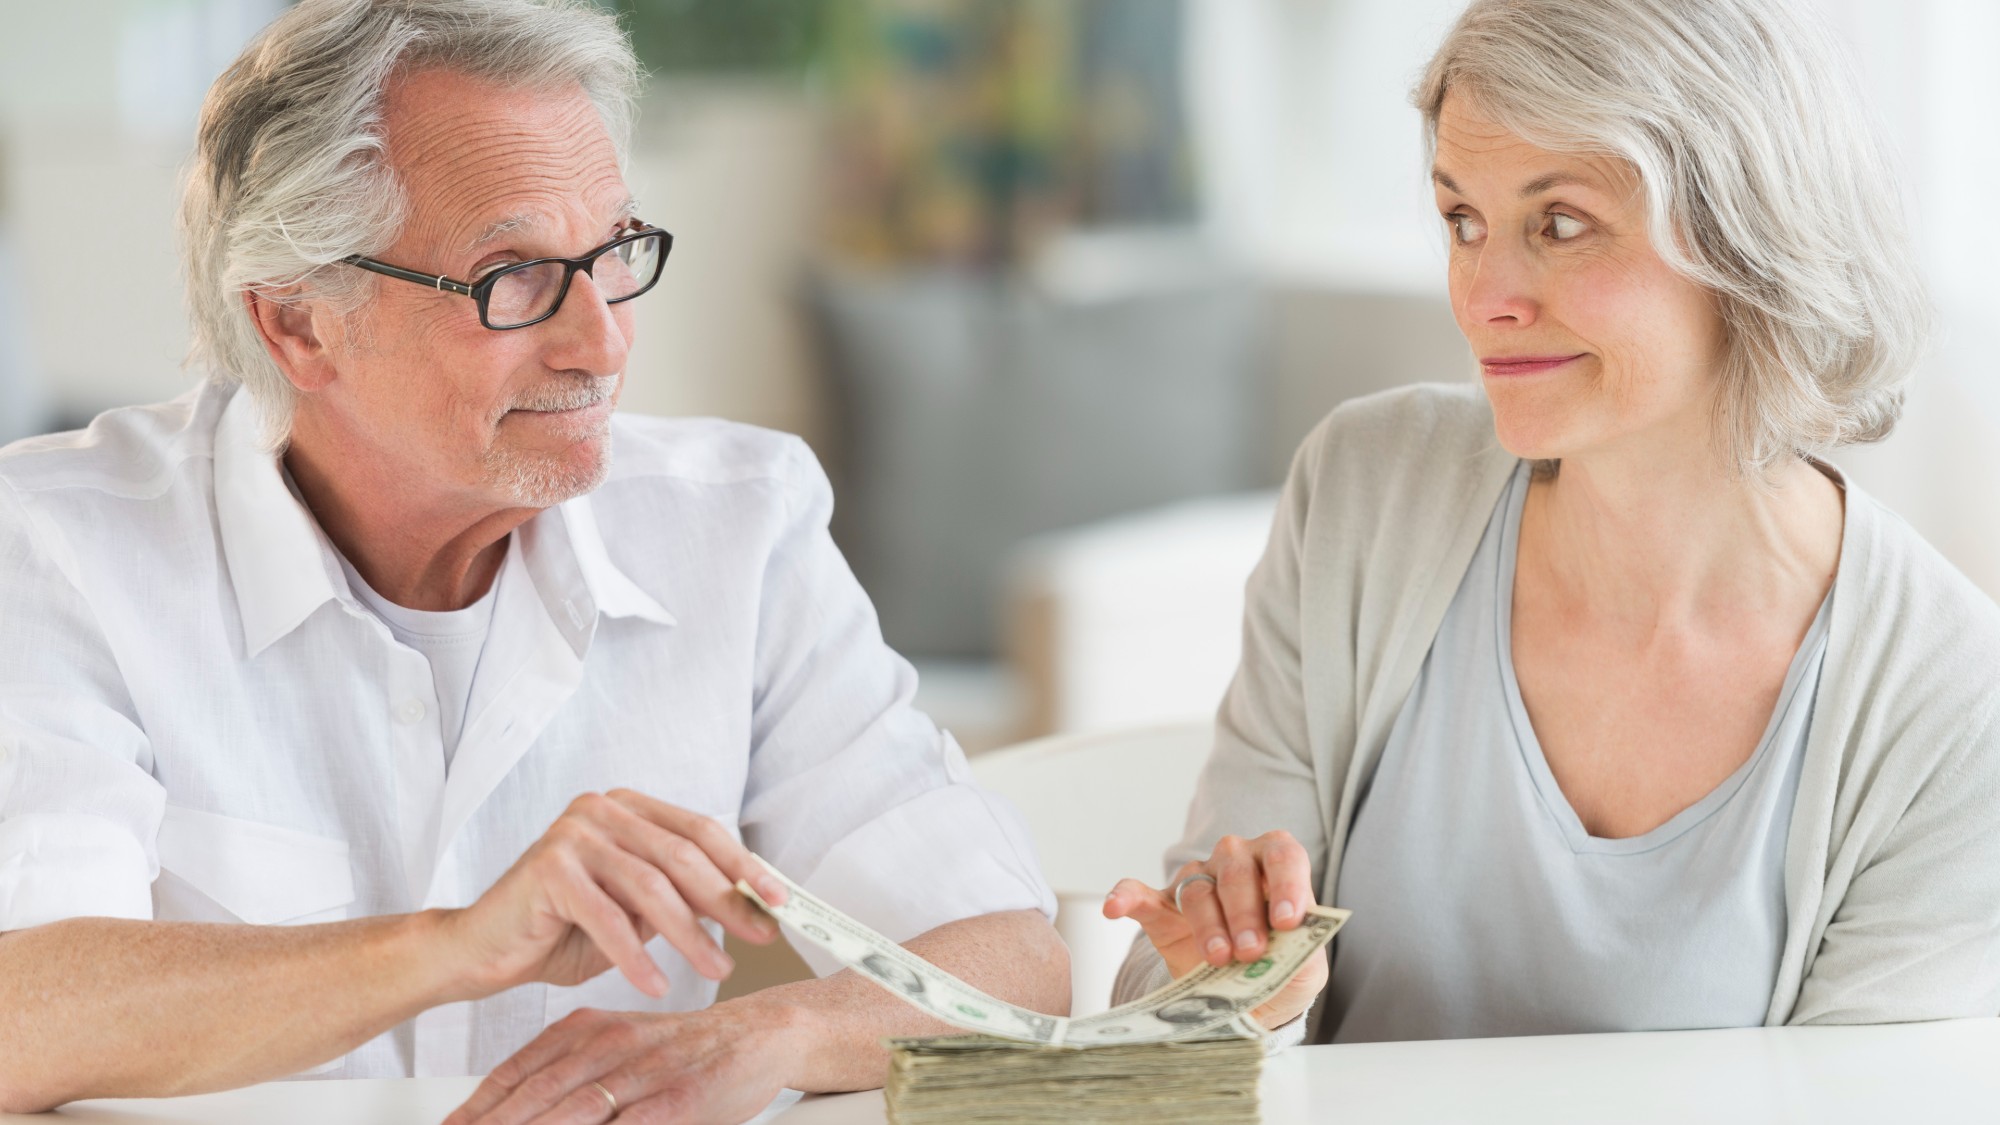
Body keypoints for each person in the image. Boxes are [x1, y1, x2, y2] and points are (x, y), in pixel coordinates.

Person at [0, 0, 1067, 1118]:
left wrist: (779, 1032)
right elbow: (24, 1016)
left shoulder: (739, 525)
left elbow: (1010, 963)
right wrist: (454, 946)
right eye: (509, 275)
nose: (601, 339)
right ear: (298, 325)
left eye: (611, 250)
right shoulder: (57, 543)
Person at [1106, 0, 2000, 1046]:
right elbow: (1165, 1026)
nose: (1481, 295)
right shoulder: (1364, 493)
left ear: (1748, 241)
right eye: (1461, 221)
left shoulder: (1951, 709)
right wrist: (1223, 992)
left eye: (1559, 223)